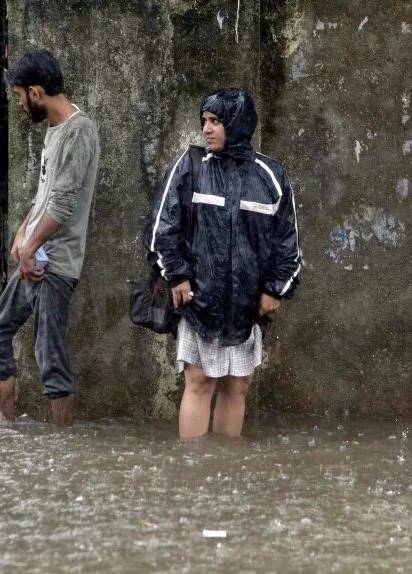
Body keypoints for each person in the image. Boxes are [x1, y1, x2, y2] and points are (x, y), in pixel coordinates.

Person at [144, 88, 302, 439]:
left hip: (247, 308)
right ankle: (193, 470)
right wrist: (178, 277)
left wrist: (275, 289)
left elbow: (287, 242)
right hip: (198, 301)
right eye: (204, 121)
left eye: (216, 121)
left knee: (238, 385)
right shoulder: (192, 166)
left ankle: (226, 469)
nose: (207, 129)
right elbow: (161, 228)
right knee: (199, 382)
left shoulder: (270, 176)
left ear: (237, 123)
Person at [0, 49, 100, 428]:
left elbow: (64, 205)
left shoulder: (80, 132)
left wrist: (30, 247)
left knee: (49, 354)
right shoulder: (54, 130)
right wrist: (22, 236)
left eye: (19, 96)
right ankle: (6, 425)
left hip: (57, 264)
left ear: (36, 92)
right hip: (35, 258)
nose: (18, 104)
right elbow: (45, 195)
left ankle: (61, 442)